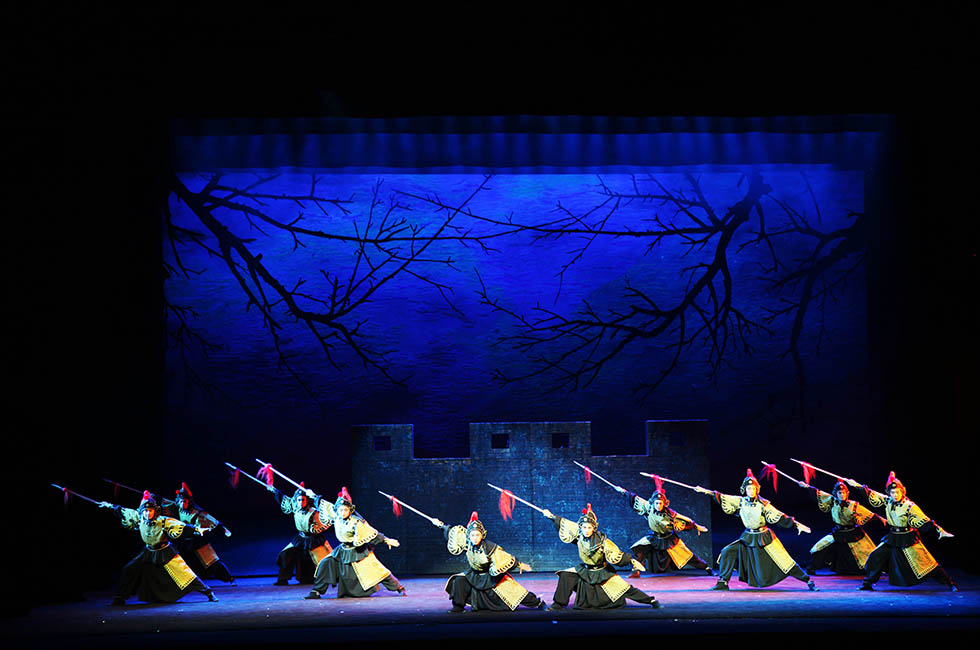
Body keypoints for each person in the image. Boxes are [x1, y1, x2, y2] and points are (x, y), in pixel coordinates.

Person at [695, 469, 817, 591]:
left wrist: (796, 525)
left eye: (753, 489)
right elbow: (722, 496)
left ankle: (807, 580)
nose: (751, 491)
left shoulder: (763, 504)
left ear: (757, 490)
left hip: (764, 537)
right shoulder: (741, 501)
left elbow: (779, 515)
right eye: (749, 489)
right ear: (745, 490)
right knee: (728, 552)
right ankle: (723, 582)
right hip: (748, 537)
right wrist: (705, 491)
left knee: (784, 560)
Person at [100, 491, 217, 605]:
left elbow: (182, 526)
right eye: (145, 511)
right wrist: (109, 505)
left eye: (150, 510)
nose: (147, 513)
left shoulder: (163, 521)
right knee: (129, 569)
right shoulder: (139, 518)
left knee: (184, 573)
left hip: (165, 551)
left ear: (155, 511)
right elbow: (122, 511)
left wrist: (198, 530)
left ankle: (208, 592)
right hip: (148, 551)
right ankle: (120, 597)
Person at [541, 503, 661, 609]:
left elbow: (615, 553)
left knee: (624, 588)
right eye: (584, 527)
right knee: (566, 575)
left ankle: (651, 600)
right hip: (585, 570)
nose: (586, 530)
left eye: (589, 528)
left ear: (594, 528)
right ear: (580, 527)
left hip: (601, 572)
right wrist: (551, 516)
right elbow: (566, 524)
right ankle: (558, 604)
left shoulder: (602, 541)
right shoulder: (579, 535)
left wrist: (632, 561)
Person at [849, 472, 956, 591]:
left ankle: (949, 582)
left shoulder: (909, 506)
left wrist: (939, 530)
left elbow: (924, 519)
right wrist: (856, 485)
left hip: (907, 537)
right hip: (893, 536)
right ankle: (867, 583)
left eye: (897, 492)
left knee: (926, 562)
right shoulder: (888, 501)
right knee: (876, 555)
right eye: (892, 492)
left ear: (902, 492)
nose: (895, 495)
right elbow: (871, 494)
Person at [431, 511, 544, 613]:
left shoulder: (489, 548)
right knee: (459, 580)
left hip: (490, 577)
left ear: (482, 535)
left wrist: (520, 565)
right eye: (472, 535)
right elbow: (452, 532)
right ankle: (458, 607)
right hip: (474, 575)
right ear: (469, 536)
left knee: (514, 592)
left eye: (477, 535)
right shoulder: (467, 542)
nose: (475, 538)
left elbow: (505, 558)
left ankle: (538, 603)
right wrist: (440, 525)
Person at [305, 487, 406, 599]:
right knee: (326, 563)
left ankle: (399, 587)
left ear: (350, 510)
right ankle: (317, 591)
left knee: (377, 570)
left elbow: (370, 532)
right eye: (341, 510)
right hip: (342, 550)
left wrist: (386, 540)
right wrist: (313, 496)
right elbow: (325, 506)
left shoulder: (356, 522)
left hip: (357, 551)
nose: (343, 512)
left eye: (345, 510)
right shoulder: (336, 516)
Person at [616, 481, 711, 577]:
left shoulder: (670, 513)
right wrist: (623, 491)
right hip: (654, 537)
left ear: (664, 503)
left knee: (687, 555)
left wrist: (696, 526)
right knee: (641, 548)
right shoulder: (649, 507)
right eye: (656, 503)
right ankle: (636, 571)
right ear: (653, 503)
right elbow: (636, 498)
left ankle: (706, 567)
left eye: (660, 503)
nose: (658, 505)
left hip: (669, 538)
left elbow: (685, 518)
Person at [797, 479, 877, 575]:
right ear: (836, 494)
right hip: (838, 532)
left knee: (860, 555)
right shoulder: (832, 501)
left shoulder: (853, 505)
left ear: (847, 493)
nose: (842, 495)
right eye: (840, 493)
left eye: (844, 493)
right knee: (820, 548)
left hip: (852, 533)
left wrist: (882, 520)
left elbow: (869, 514)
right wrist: (806, 486)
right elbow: (818, 493)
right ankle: (812, 568)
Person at [166, 482, 235, 584]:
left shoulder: (197, 512)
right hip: (185, 542)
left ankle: (228, 578)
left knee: (211, 562)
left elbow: (212, 520)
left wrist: (222, 529)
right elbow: (164, 502)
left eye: (184, 501)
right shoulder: (178, 508)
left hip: (198, 540)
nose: (182, 504)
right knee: (181, 562)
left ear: (189, 501)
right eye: (180, 501)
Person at [266, 481, 333, 585]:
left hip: (314, 539)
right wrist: (273, 489)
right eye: (299, 500)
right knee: (286, 554)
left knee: (322, 560)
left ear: (307, 500)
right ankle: (283, 579)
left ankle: (325, 579)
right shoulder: (295, 507)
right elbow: (284, 498)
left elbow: (323, 522)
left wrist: (312, 528)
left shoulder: (313, 512)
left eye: (303, 500)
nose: (300, 502)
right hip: (300, 538)